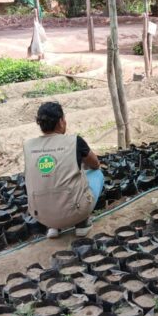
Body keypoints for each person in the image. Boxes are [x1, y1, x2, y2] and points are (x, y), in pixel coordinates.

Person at [23, 102, 104, 238]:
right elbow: (95, 164)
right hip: (74, 212)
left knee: (45, 179)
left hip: (41, 216)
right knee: (96, 173)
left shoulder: (28, 146)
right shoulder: (74, 141)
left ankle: (54, 226)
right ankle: (82, 223)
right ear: (61, 121)